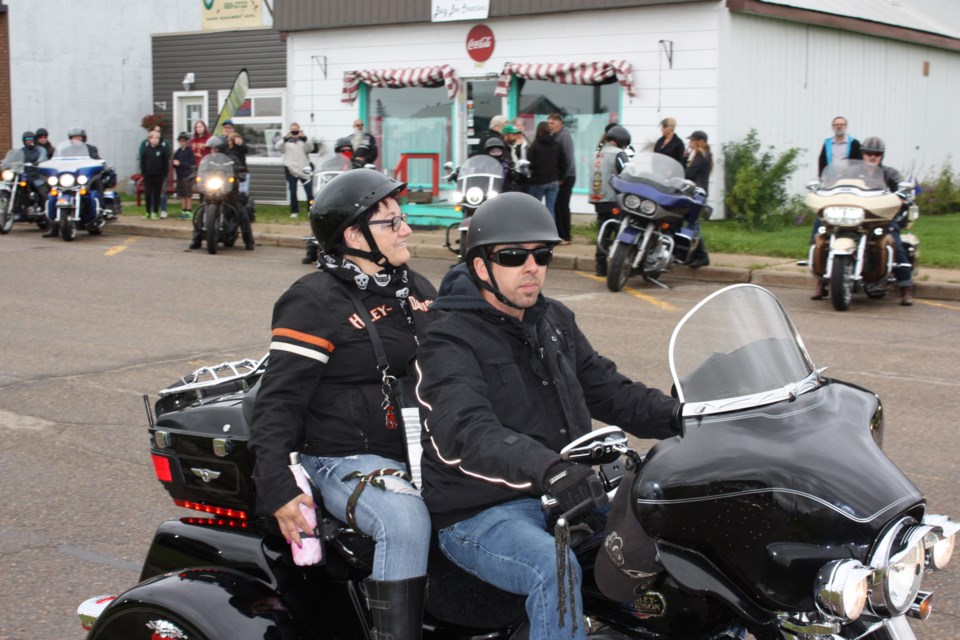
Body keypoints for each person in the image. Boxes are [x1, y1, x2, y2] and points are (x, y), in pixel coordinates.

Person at [415, 192, 680, 640]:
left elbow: (611, 392)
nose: (531, 266)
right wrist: (550, 469)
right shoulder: (447, 337)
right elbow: (463, 431)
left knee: (679, 530)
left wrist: (685, 415)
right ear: (480, 267)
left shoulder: (553, 319)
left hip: (567, 495)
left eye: (541, 254)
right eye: (514, 256)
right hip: (480, 511)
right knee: (551, 567)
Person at [249, 169, 437, 640]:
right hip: (341, 456)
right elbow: (278, 401)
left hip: (420, 447)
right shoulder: (314, 301)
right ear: (354, 235)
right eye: (391, 223)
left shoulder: (411, 287)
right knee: (405, 519)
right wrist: (277, 487)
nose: (406, 229)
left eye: (402, 218)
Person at [812, 137, 914, 305]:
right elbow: (833, 185)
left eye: (876, 154)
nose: (872, 157)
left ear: (882, 156)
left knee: (894, 239)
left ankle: (905, 286)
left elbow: (901, 189)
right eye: (868, 153)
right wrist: (824, 190)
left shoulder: (889, 173)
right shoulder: (850, 172)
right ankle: (821, 281)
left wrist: (901, 195)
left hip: (879, 218)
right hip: (854, 215)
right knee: (821, 230)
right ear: (863, 154)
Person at [589, 125, 631, 276]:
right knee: (621, 232)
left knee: (603, 232)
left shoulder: (596, 154)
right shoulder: (618, 154)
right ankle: (619, 264)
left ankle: (600, 267)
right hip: (614, 199)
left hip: (598, 199)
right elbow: (626, 174)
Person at [683, 130, 712, 268]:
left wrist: (684, 158)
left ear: (700, 141)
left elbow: (689, 173)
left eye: (692, 140)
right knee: (691, 224)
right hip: (700, 192)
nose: (690, 143)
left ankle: (702, 255)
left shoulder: (700, 155)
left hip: (697, 194)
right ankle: (692, 255)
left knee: (693, 224)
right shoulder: (706, 154)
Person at [525, 121, 565, 220]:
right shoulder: (557, 144)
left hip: (538, 181)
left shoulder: (535, 146)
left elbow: (530, 164)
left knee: (534, 209)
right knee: (550, 209)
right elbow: (563, 163)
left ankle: (534, 232)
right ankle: (551, 232)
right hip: (553, 181)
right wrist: (561, 177)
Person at [276, 122, 317, 218]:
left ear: (299, 130)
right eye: (292, 130)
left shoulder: (303, 140)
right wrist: (286, 137)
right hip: (291, 169)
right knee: (293, 190)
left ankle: (311, 210)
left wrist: (304, 137)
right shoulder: (286, 142)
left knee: (309, 191)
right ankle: (294, 211)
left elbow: (311, 148)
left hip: (304, 169)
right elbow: (278, 147)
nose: (294, 132)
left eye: (296, 130)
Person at [548, 113, 575, 244]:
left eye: (552, 123)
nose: (550, 126)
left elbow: (568, 159)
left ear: (560, 123)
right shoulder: (555, 136)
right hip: (560, 177)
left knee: (562, 206)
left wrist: (562, 177)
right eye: (548, 123)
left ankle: (565, 235)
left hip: (567, 176)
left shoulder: (564, 136)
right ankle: (560, 234)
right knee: (558, 206)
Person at [139, 125, 170, 218]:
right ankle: (148, 211)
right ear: (149, 139)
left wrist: (164, 174)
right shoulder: (146, 150)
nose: (155, 140)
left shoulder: (162, 150)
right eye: (153, 138)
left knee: (157, 194)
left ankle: (155, 212)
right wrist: (144, 173)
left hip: (159, 176)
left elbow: (165, 163)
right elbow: (142, 162)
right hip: (148, 176)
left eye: (157, 138)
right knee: (148, 194)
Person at [222, 120, 250, 195]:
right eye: (225, 127)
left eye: (229, 127)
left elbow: (246, 149)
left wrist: (240, 144)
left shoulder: (237, 138)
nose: (227, 129)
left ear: (233, 129)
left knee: (242, 195)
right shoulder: (221, 141)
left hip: (240, 172)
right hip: (226, 173)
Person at [172, 132, 195, 220]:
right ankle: (183, 210)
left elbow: (191, 164)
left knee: (188, 194)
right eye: (180, 141)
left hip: (187, 175)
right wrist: (174, 162)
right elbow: (174, 162)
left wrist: (180, 163)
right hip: (180, 175)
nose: (182, 142)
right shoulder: (178, 151)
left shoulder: (189, 151)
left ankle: (189, 211)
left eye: (183, 141)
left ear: (186, 141)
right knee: (182, 194)